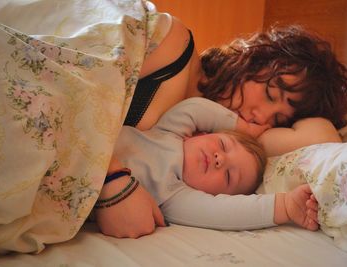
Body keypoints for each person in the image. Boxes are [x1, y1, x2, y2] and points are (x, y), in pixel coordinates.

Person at [100, 13, 347, 238]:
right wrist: (113, 179)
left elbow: (324, 139)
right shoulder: (172, 44)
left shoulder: (213, 155)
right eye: (269, 94)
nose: (260, 118)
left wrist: (247, 136)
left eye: (278, 121)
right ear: (252, 60)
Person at [95, 97, 320, 237]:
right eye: (222, 144)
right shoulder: (168, 132)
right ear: (203, 133)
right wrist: (243, 127)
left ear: (214, 195)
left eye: (229, 176)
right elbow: (196, 108)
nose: (219, 159)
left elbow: (227, 213)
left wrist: (286, 206)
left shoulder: (174, 196)